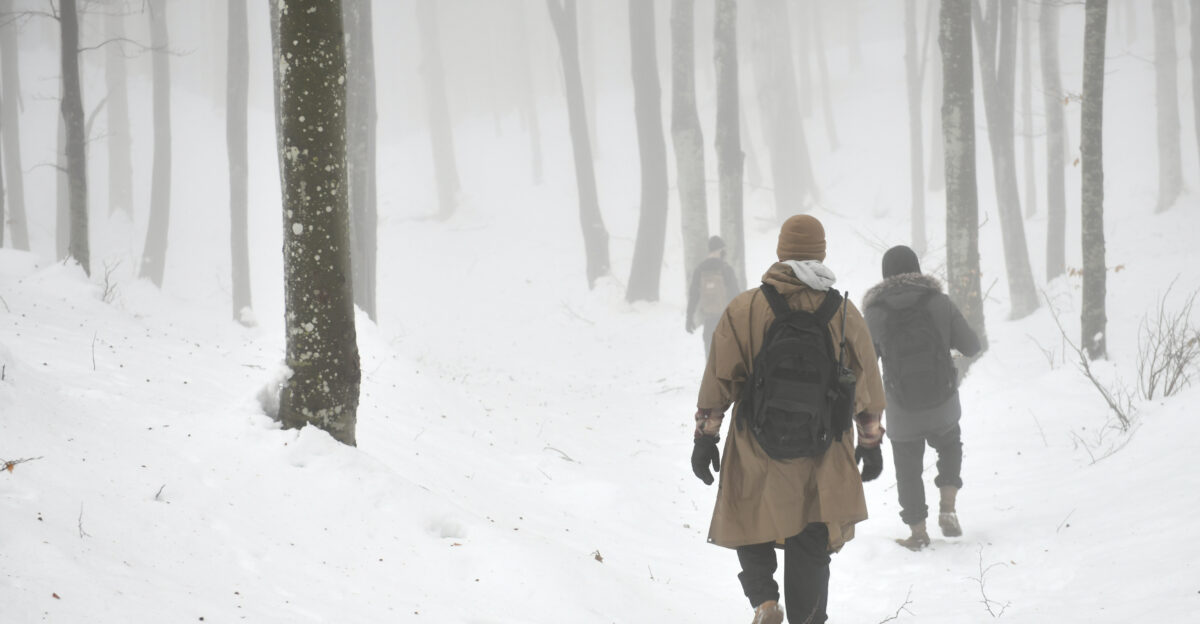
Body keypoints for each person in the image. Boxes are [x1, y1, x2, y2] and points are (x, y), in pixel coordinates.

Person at [690, 215, 886, 624]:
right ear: (822, 251)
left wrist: (706, 437)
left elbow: (719, 380)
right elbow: (867, 383)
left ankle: (764, 601)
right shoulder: (844, 312)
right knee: (811, 533)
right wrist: (870, 442)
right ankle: (806, 618)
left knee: (749, 515)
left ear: (780, 251)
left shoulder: (745, 308)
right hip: (823, 448)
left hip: (755, 443)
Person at [862, 245, 981, 551]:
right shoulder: (938, 302)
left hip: (901, 408)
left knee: (908, 470)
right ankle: (948, 506)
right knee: (951, 446)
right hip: (942, 400)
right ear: (916, 269)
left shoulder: (875, 313)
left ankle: (918, 533)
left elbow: (863, 366)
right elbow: (970, 345)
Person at [686, 236, 741, 357]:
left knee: (711, 360)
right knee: (727, 360)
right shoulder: (726, 269)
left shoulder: (699, 270)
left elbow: (693, 295)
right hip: (726, 321)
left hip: (709, 321)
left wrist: (689, 317)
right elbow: (736, 296)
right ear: (720, 250)